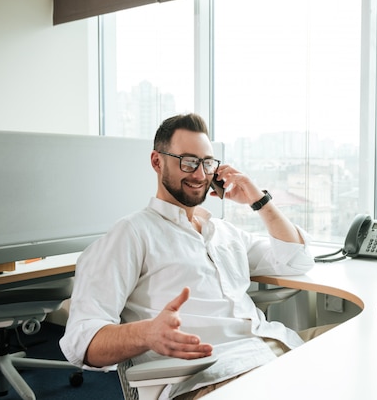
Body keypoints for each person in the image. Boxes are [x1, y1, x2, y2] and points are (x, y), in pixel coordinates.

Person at [60, 113, 317, 399]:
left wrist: (258, 200)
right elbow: (82, 340)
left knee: (363, 350)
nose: (199, 174)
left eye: (207, 163)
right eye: (188, 161)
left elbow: (296, 259)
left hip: (276, 349)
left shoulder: (222, 232)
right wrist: (147, 334)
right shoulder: (131, 233)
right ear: (157, 162)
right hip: (214, 377)